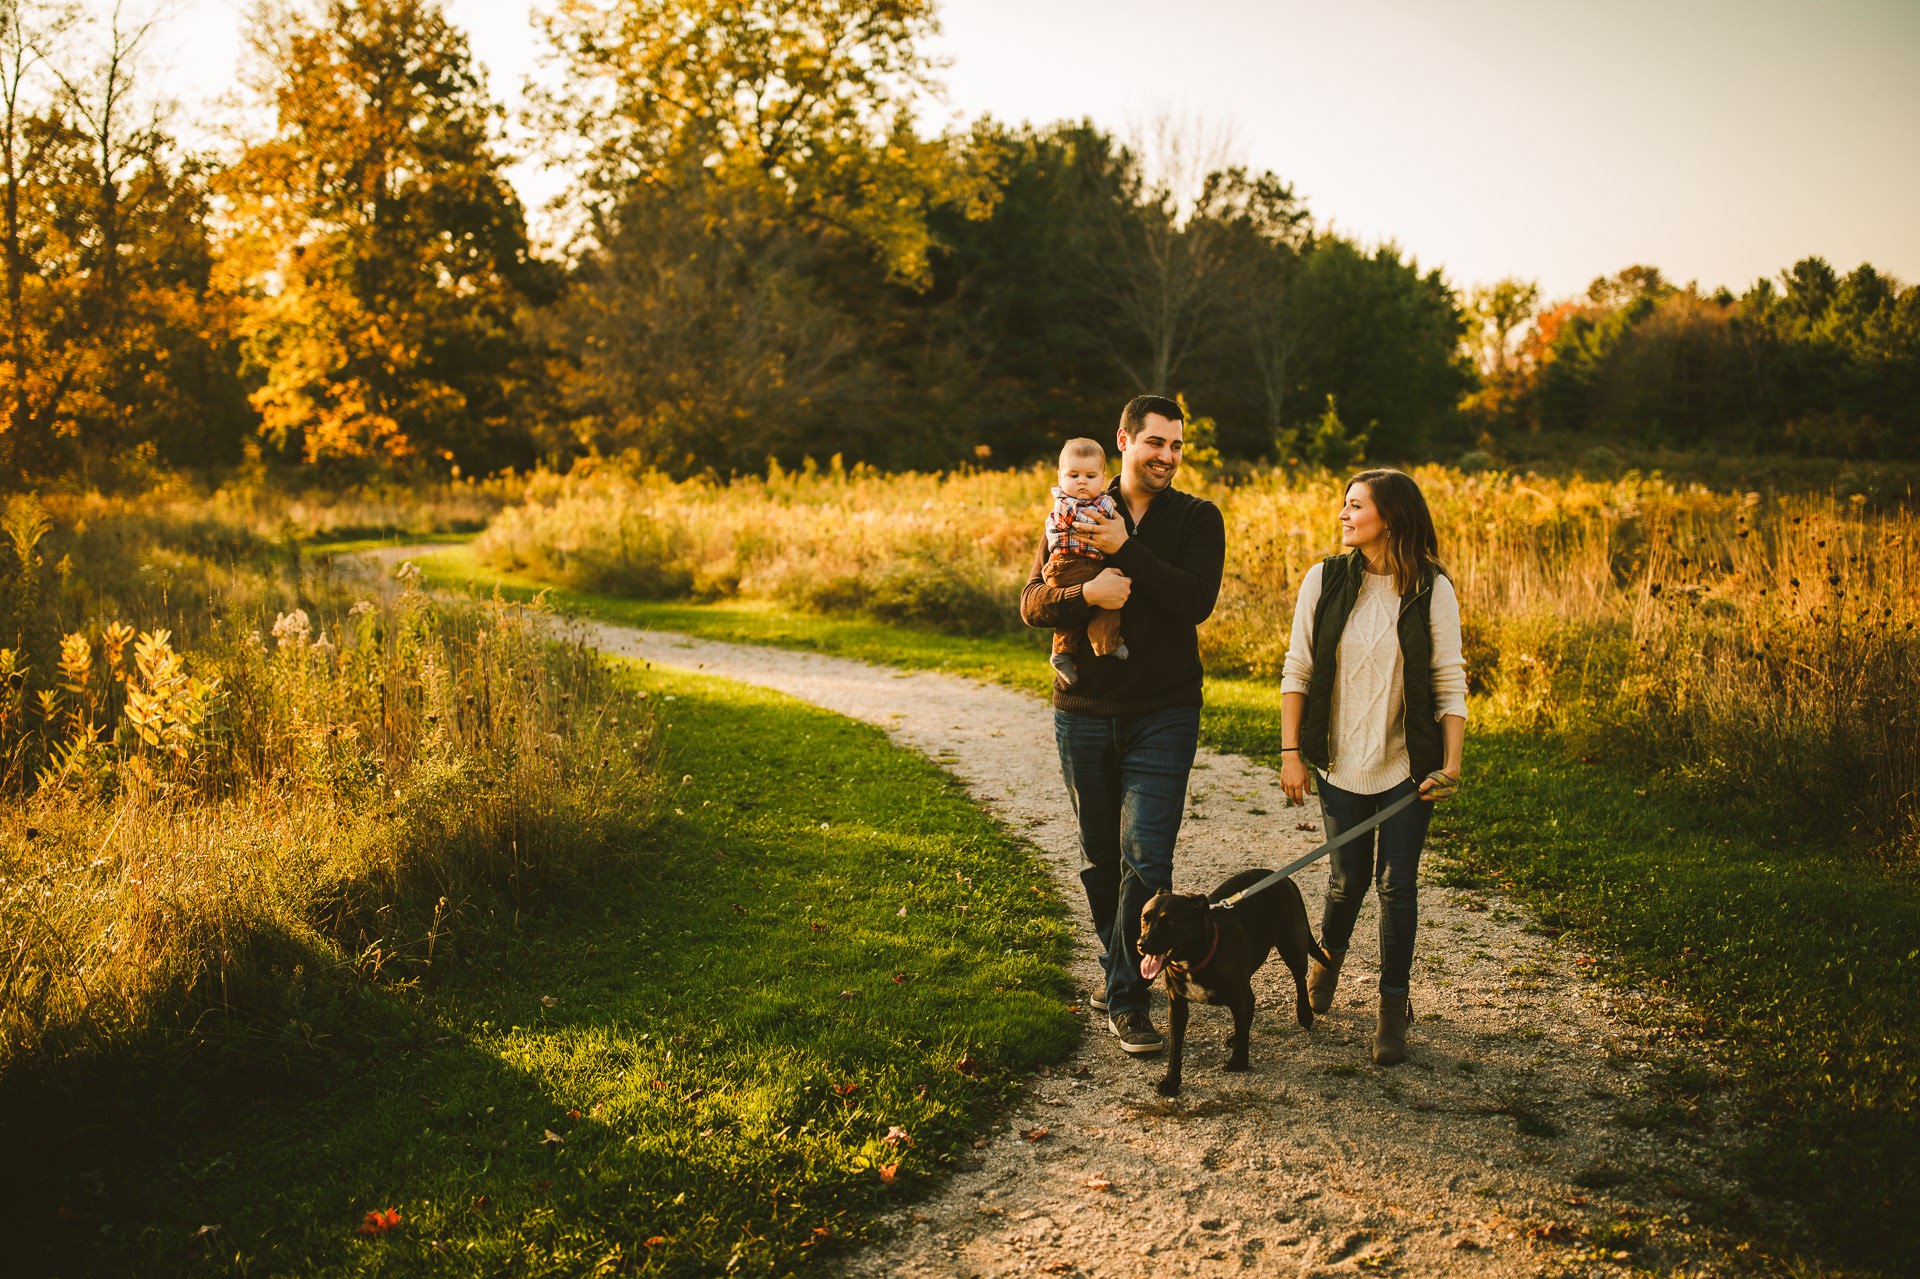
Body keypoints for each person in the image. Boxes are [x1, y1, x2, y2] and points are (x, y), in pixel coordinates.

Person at [1020, 395, 1226, 1057]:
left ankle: (1129, 999)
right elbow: (1032, 601)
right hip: (1082, 716)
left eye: (1176, 445)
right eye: (1155, 442)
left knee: (1146, 857)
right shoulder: (1075, 502)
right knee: (1100, 859)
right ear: (1124, 440)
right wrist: (1086, 596)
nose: (1166, 455)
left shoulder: (1198, 517)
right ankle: (1121, 971)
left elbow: (1195, 599)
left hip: (1165, 711)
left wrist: (1125, 551)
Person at [1277, 468, 1467, 1066]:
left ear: (1389, 516)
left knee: (1396, 885)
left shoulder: (1433, 589)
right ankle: (1326, 965)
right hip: (1339, 762)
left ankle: (1392, 1008)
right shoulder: (1325, 579)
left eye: (1355, 505)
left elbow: (1448, 683)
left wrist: (1452, 765)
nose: (1343, 514)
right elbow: (1298, 668)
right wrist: (1291, 753)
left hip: (1409, 767)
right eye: (1345, 504)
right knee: (1346, 880)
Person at [1041, 437, 1129, 686]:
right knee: (1108, 597)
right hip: (1067, 564)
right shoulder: (1066, 504)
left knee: (1076, 613)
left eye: (1090, 476)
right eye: (1073, 475)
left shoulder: (1099, 500)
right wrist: (1111, 511)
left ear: (1102, 478)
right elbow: (1085, 519)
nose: (1081, 481)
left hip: (1081, 565)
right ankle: (1105, 642)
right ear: (1060, 478)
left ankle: (1062, 654)